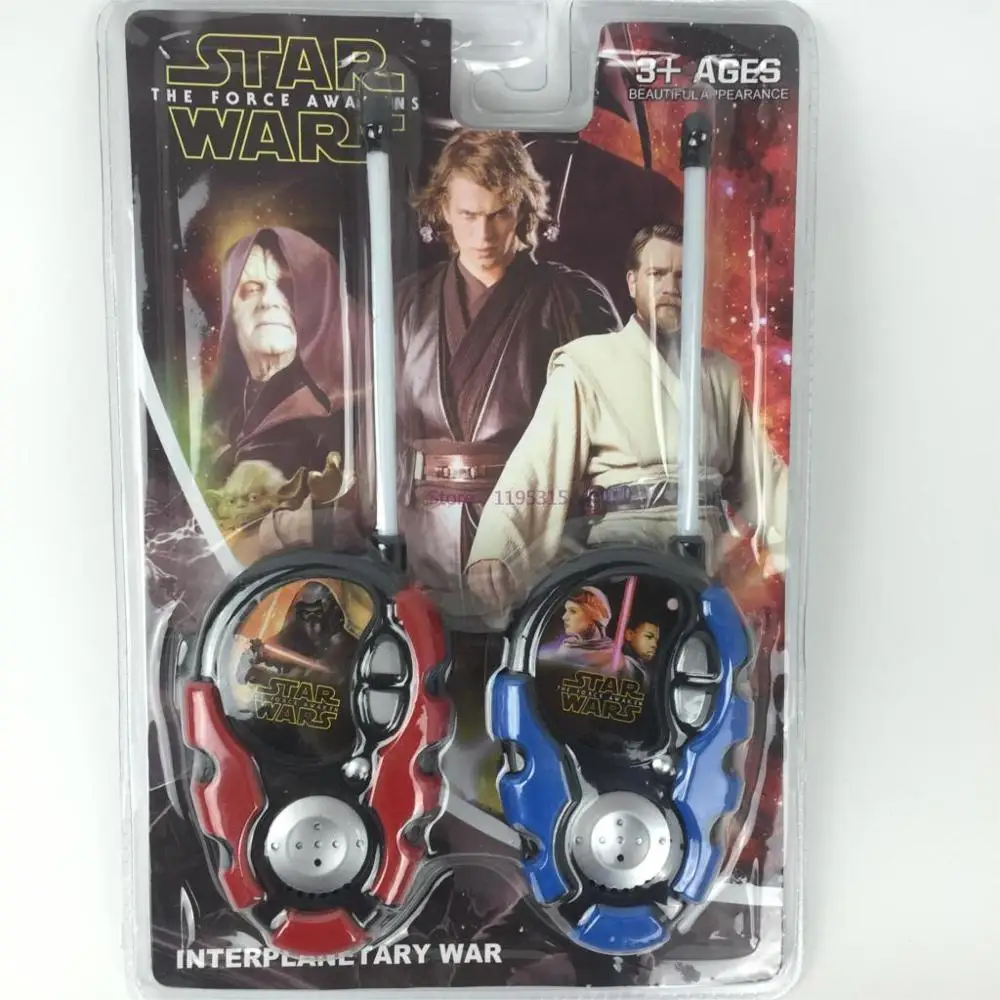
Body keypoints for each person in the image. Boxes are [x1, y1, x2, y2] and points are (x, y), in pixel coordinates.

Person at [467, 223, 788, 610]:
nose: (671, 287)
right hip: (623, 550)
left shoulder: (721, 374)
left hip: (707, 555)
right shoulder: (587, 362)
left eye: (683, 276)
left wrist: (801, 534)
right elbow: (536, 462)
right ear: (633, 283)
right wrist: (494, 547)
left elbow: (764, 475)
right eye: (658, 274)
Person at [396, 129, 621, 604]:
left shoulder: (572, 300)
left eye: (498, 214)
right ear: (443, 209)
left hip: (533, 527)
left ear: (522, 208)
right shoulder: (407, 304)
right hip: (423, 535)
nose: (483, 235)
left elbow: (608, 432)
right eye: (468, 215)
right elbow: (382, 432)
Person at [202, 227, 359, 489]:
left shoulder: (341, 418)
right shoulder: (217, 417)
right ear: (231, 311)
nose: (269, 301)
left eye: (286, 288)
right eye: (252, 289)